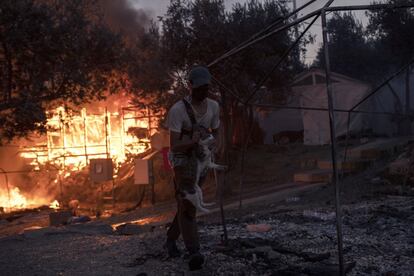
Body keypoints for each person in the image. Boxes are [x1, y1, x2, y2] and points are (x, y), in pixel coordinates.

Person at [164, 65, 220, 271]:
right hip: (182, 162)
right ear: (190, 86)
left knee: (187, 205)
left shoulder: (213, 107)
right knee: (189, 204)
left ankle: (170, 239)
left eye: (206, 88)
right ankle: (193, 251)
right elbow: (173, 145)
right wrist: (192, 141)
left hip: (202, 163)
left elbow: (217, 130)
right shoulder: (178, 111)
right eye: (199, 88)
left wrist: (215, 143)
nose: (203, 92)